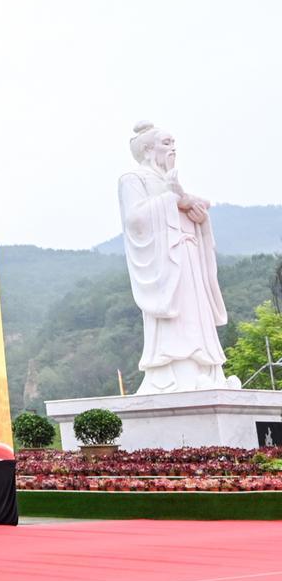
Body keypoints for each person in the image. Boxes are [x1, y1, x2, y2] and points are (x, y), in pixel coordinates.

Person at [118, 121, 239, 393]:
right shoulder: (133, 179)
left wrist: (200, 219)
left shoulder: (169, 182)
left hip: (190, 255)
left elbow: (198, 205)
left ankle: (207, 370)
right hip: (166, 260)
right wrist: (173, 199)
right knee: (176, 314)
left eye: (174, 142)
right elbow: (134, 219)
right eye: (166, 143)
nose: (173, 148)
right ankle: (174, 373)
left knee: (196, 310)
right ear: (148, 149)